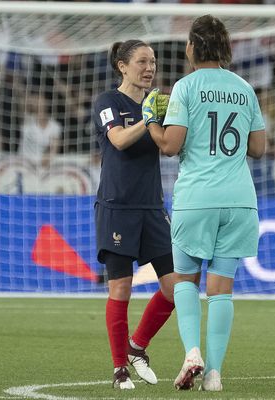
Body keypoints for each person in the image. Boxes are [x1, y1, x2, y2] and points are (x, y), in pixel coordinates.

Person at [143, 14, 266, 391]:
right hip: (240, 200)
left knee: (184, 279)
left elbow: (171, 145)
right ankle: (214, 374)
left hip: (197, 198)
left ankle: (192, 352)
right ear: (225, 48)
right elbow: (259, 148)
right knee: (221, 289)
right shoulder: (245, 88)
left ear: (193, 47)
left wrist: (151, 118)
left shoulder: (186, 87)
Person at [92, 40, 176, 389]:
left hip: (153, 208)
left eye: (153, 61)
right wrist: (149, 118)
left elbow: (169, 150)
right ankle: (119, 370)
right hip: (118, 208)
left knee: (178, 287)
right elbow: (120, 141)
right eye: (142, 61)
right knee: (121, 288)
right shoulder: (108, 102)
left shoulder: (157, 104)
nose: (149, 68)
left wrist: (168, 122)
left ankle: (137, 347)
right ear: (122, 66)